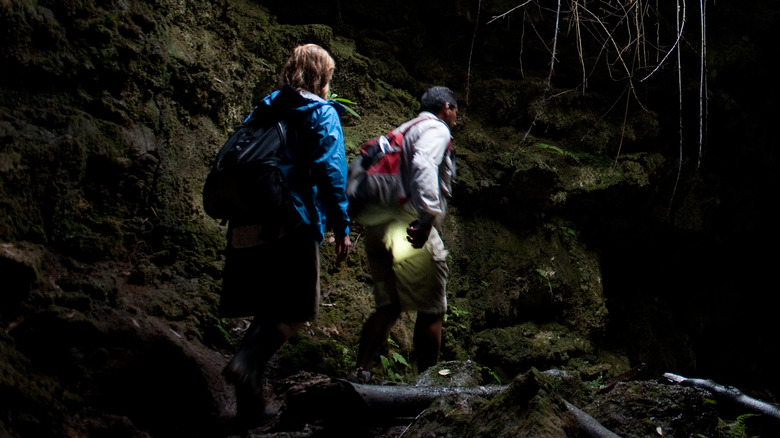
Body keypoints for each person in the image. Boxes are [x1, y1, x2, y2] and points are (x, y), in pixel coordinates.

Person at [219, 43, 351, 427]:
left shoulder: (266, 105)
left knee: (267, 308)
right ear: (322, 77)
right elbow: (331, 170)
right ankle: (245, 361)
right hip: (292, 221)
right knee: (294, 310)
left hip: (248, 221)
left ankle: (250, 408)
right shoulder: (320, 112)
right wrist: (341, 226)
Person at [351, 86, 457, 383]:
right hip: (408, 227)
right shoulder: (436, 129)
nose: (456, 118)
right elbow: (424, 162)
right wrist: (427, 218)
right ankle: (427, 387)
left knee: (389, 307)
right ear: (447, 108)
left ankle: (359, 370)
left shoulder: (402, 130)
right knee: (432, 309)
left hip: (378, 226)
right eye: (456, 112)